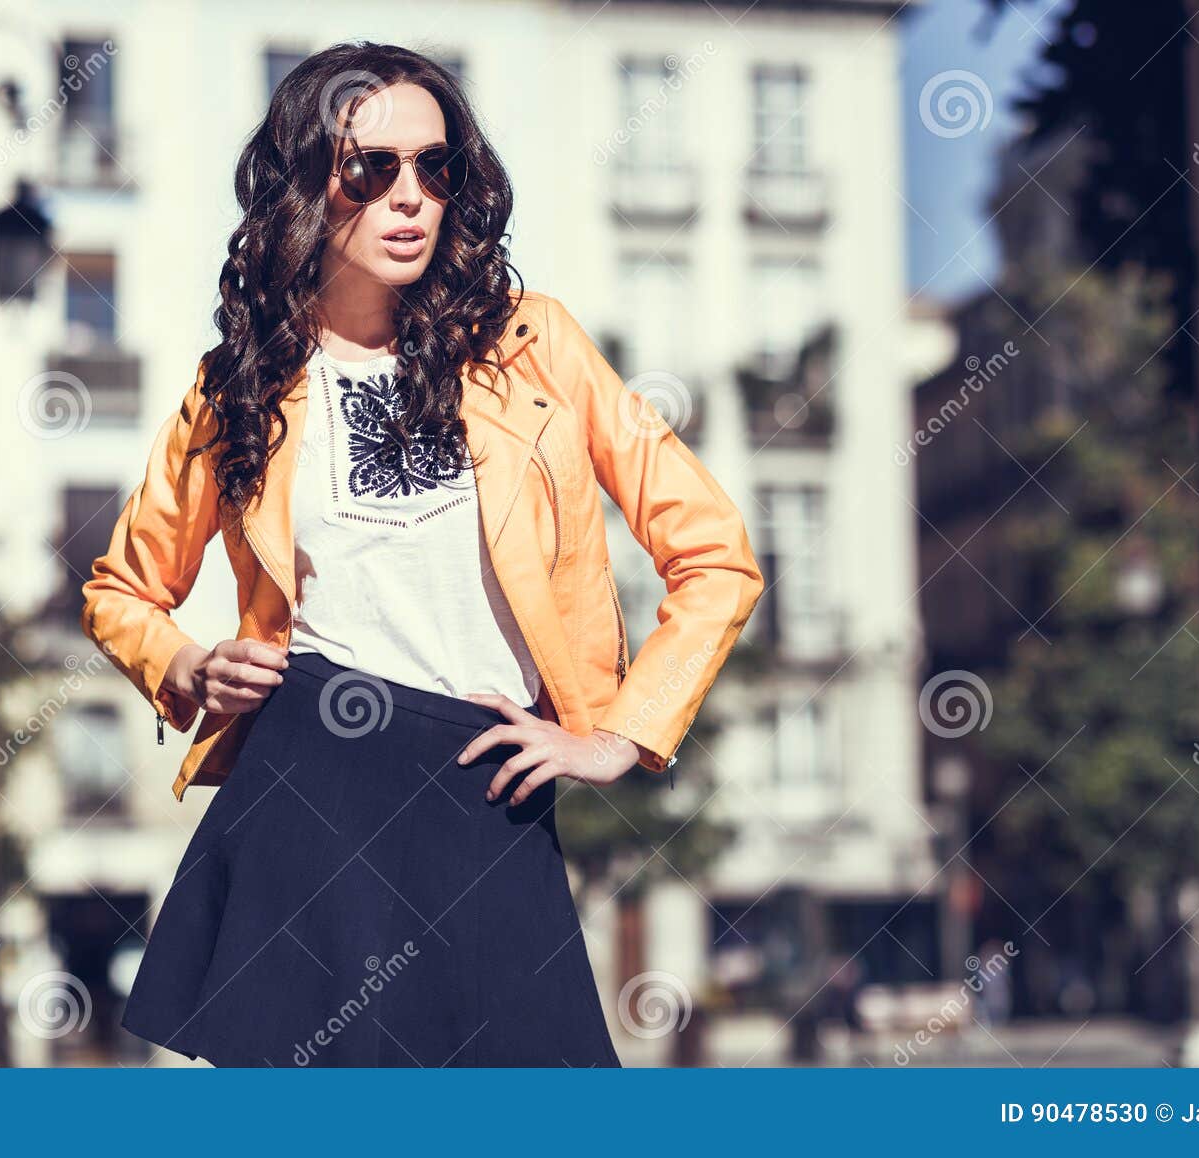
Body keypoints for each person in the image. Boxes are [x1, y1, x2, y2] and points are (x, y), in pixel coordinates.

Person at [80, 41, 763, 1067]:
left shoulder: (535, 346)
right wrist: (186, 665)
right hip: (309, 783)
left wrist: (621, 733)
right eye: (370, 169)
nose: (409, 196)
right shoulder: (238, 386)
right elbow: (121, 588)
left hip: (485, 778)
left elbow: (714, 552)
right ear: (305, 184)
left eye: (434, 168)